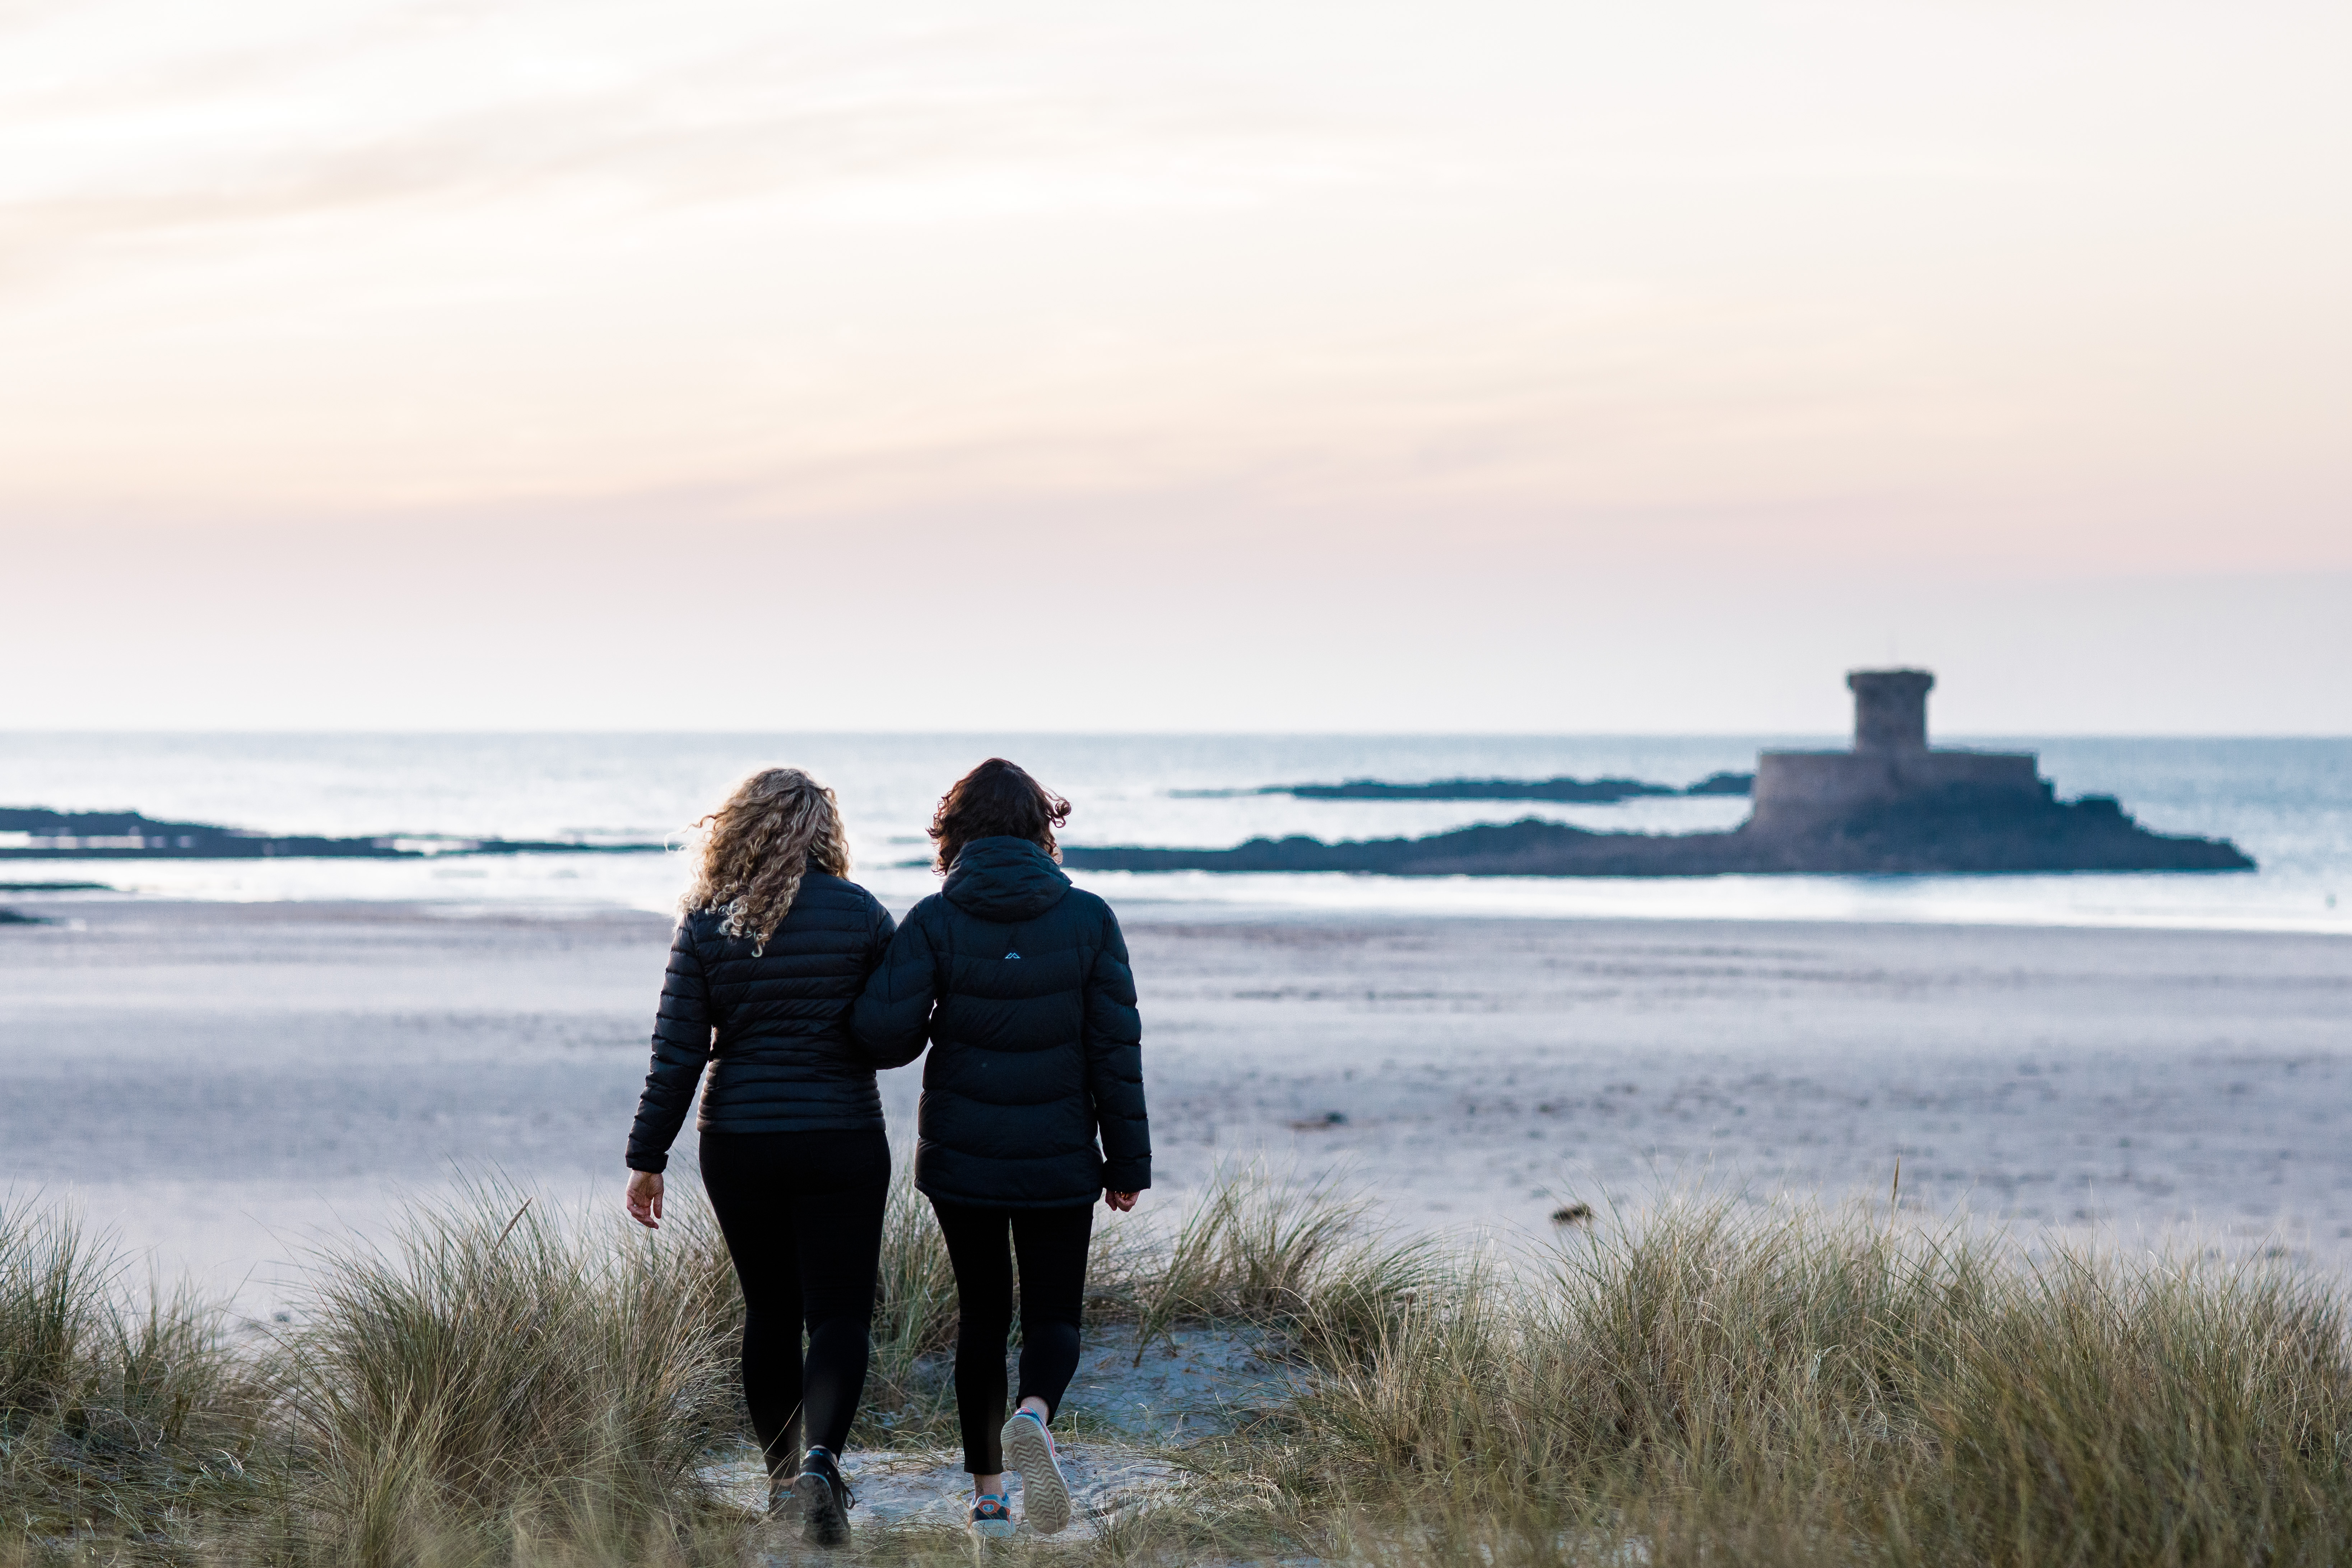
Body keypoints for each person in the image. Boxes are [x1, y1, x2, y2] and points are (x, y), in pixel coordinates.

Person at [851, 758, 1150, 1539]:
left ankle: (989, 1498)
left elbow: (882, 1037)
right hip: (1059, 1156)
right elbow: (1115, 1050)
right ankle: (1034, 1415)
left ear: (953, 833)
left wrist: (917, 1008)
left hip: (962, 1157)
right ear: (1042, 829)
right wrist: (1126, 1165)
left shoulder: (935, 918)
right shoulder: (1089, 918)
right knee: (1055, 1317)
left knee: (982, 1319)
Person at [623, 767, 893, 1548]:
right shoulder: (861, 914)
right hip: (840, 1132)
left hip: (738, 1139)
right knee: (840, 1313)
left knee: (770, 1312)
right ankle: (819, 1466)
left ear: (733, 830)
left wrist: (648, 1156)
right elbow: (891, 1032)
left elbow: (676, 1052)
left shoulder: (707, 921)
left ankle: (782, 1483)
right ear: (824, 833)